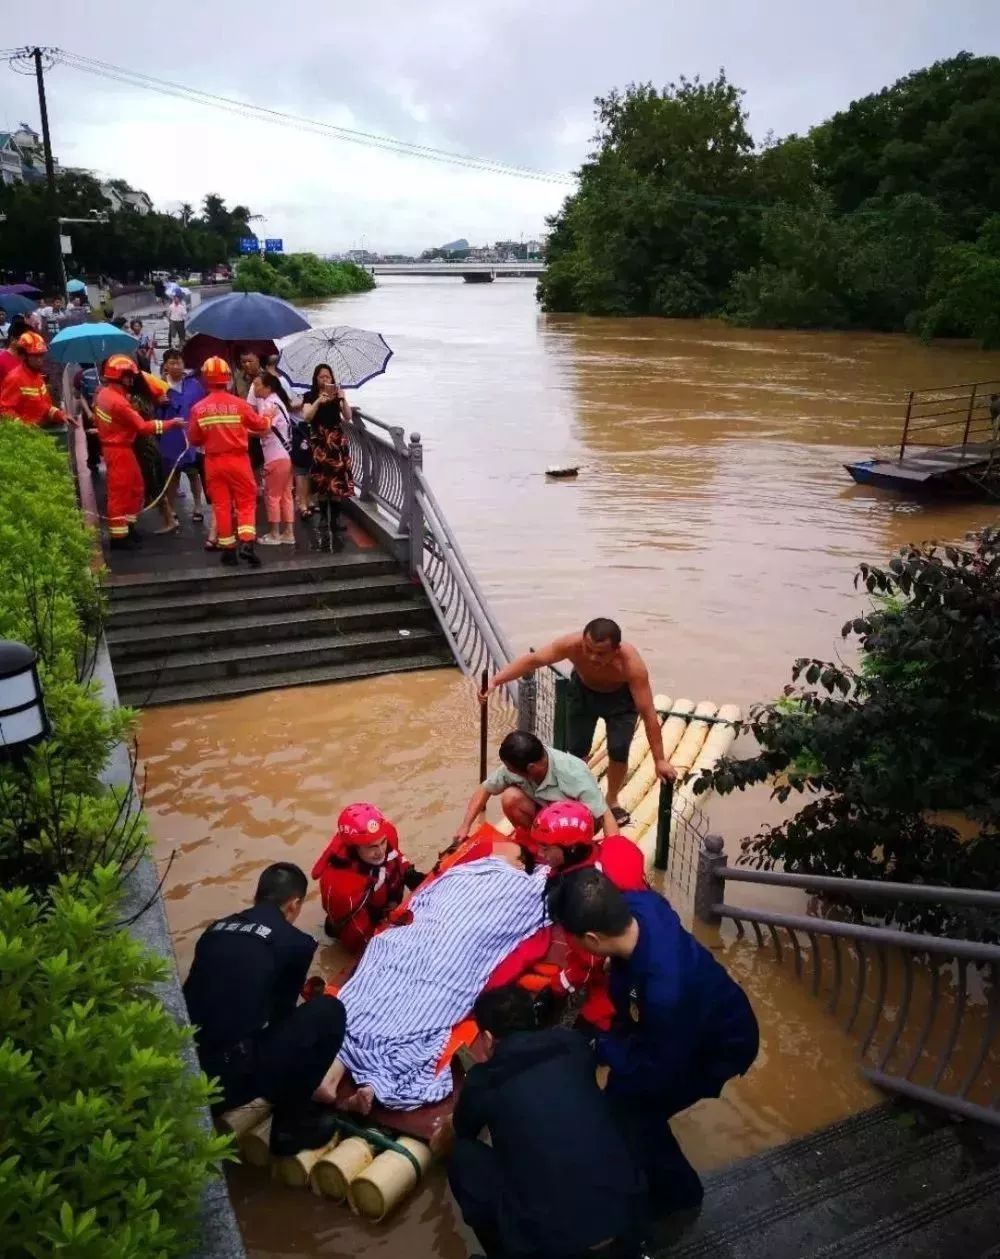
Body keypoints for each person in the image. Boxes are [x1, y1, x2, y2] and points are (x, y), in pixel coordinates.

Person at [547, 869, 760, 1217]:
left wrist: (603, 1048)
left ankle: (680, 1196)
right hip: (681, 1019)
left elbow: (657, 1070)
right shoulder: (641, 906)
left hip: (716, 1046)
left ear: (591, 937)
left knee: (635, 1115)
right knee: (621, 1094)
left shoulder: (665, 993)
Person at [305, 844, 550, 1113]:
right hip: (427, 935)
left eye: (505, 852)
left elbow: (425, 896)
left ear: (519, 865)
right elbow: (432, 895)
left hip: (460, 943)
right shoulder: (466, 872)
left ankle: (338, 1076)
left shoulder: (521, 883)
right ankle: (365, 1085)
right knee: (387, 978)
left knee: (390, 998)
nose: (494, 853)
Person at [444, 985, 646, 1259]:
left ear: (488, 1038)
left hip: (555, 1247)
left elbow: (463, 1130)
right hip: (630, 1217)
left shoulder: (485, 1080)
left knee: (462, 1156)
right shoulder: (573, 1045)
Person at [183, 862, 348, 1156]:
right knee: (329, 1012)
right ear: (294, 904)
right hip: (227, 1082)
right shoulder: (295, 944)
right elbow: (280, 1017)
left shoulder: (215, 930)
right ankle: (290, 1127)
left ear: (257, 895)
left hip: (186, 1067)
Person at [484, 620, 677, 826]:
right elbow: (534, 660)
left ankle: (612, 800)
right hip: (582, 693)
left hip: (620, 700)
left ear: (616, 650)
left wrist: (660, 760)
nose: (593, 657)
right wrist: (496, 681)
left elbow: (648, 714)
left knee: (619, 749)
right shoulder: (571, 645)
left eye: (601, 653)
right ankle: (570, 796)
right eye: (588, 649)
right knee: (576, 749)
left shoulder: (631, 666)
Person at [528, 800, 646, 1030]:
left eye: (545, 847)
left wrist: (555, 989)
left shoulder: (583, 895)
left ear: (571, 849)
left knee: (598, 1010)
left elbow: (588, 964)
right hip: (641, 923)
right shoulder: (617, 846)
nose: (540, 852)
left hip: (619, 952)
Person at [454, 730, 619, 845]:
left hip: (574, 823)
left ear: (531, 768)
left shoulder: (574, 773)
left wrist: (616, 851)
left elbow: (605, 816)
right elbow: (486, 788)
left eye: (511, 769)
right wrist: (465, 826)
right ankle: (536, 845)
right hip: (544, 817)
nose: (508, 771)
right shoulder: (518, 766)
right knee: (510, 797)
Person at [187, 355, 272, 568]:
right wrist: (269, 416)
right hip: (238, 461)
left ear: (206, 378)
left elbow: (194, 439)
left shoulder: (198, 409)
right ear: (227, 378)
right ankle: (247, 544)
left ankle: (228, 550)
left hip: (213, 463)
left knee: (221, 505)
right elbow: (261, 425)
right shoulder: (239, 405)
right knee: (246, 503)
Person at [93, 355, 183, 547]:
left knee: (135, 488)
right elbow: (142, 427)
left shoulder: (105, 394)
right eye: (128, 376)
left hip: (121, 448)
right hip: (119, 450)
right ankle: (119, 538)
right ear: (119, 377)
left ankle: (128, 527)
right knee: (120, 493)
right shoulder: (118, 402)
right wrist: (171, 424)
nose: (131, 380)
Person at [311, 803, 425, 953]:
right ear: (354, 847)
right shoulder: (343, 888)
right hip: (358, 922)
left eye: (382, 843)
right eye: (371, 847)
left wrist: (411, 875)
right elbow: (357, 937)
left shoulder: (384, 834)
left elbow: (395, 857)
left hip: (383, 901)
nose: (380, 852)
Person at [301, 363, 354, 551]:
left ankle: (336, 518)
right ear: (316, 379)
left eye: (328, 377)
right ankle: (323, 517)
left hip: (336, 441)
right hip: (320, 442)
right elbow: (306, 417)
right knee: (322, 480)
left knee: (337, 479)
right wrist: (318, 402)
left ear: (332, 378)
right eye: (322, 377)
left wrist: (343, 400)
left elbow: (347, 417)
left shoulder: (337, 395)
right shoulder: (309, 396)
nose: (325, 380)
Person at [158, 349, 206, 525]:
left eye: (179, 362)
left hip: (191, 437)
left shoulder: (193, 385)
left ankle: (198, 506)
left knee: (194, 474)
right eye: (172, 363)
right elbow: (153, 416)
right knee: (172, 476)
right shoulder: (160, 387)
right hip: (170, 438)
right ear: (165, 366)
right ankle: (171, 509)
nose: (177, 366)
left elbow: (203, 408)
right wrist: (160, 404)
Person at [253, 370, 296, 545]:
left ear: (267, 388)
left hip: (274, 457)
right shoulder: (279, 402)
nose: (254, 388)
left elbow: (263, 430)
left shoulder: (268, 405)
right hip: (286, 455)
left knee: (272, 495)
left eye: (257, 385)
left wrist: (243, 431)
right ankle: (289, 533)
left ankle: (274, 534)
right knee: (286, 495)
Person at [0, 331, 69, 426]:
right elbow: (4, 409)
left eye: (41, 355)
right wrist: (24, 426)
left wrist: (59, 415)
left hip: (41, 432)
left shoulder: (38, 377)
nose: (40, 360)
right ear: (23, 356)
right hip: (24, 437)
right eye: (36, 356)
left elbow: (45, 406)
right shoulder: (15, 379)